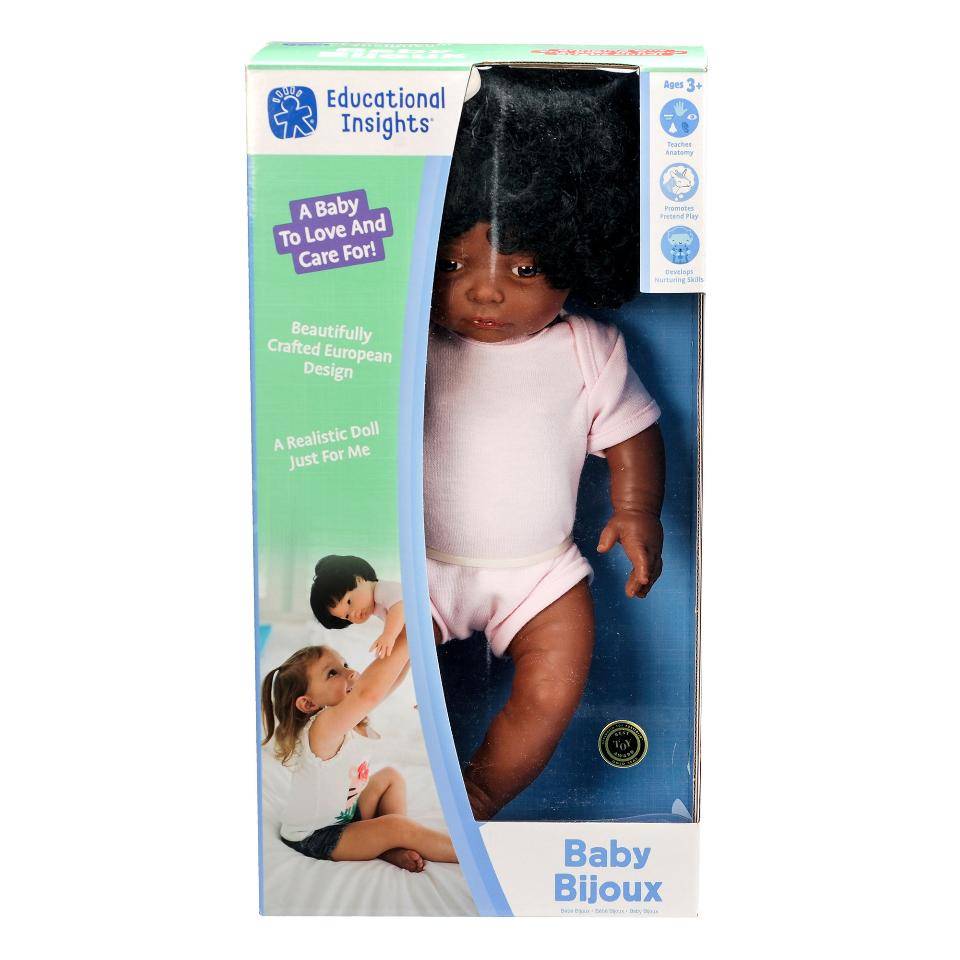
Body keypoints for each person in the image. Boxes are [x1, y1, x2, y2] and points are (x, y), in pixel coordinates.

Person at [425, 67, 666, 820]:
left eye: (523, 268)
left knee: (554, 682)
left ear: (577, 259)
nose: (485, 289)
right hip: (413, 564)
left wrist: (636, 509)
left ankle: (482, 790)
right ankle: (395, 786)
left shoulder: (586, 351)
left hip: (539, 576)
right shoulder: (412, 345)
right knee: (377, 669)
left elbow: (632, 430)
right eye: (452, 263)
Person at [262, 640, 457, 871]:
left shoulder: (347, 718)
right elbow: (368, 693)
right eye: (332, 673)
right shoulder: (321, 728)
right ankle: (472, 853)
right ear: (308, 703)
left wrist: (413, 641)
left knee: (391, 777)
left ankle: (391, 846)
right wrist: (405, 640)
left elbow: (389, 681)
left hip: (348, 814)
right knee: (396, 826)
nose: (351, 672)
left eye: (345, 664)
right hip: (316, 836)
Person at [311, 554, 405, 659]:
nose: (353, 614)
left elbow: (401, 607)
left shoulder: (383, 589)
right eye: (347, 616)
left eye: (349, 602)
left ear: (359, 579)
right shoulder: (377, 604)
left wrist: (389, 635)